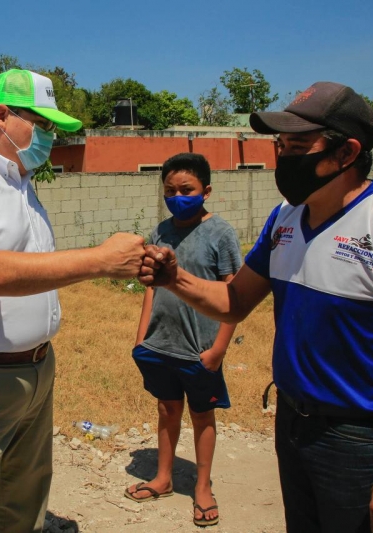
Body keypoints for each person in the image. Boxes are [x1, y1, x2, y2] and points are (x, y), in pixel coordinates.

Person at [138, 82, 373, 533]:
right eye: (280, 145)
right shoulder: (285, 218)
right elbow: (233, 301)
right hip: (291, 422)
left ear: (346, 153)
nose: (283, 157)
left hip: (357, 434)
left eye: (298, 146)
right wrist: (174, 278)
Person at [0, 68, 145, 533]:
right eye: (42, 123)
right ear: (1, 115)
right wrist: (99, 260)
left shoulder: (18, 178)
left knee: (23, 505)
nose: (49, 137)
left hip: (33, 372)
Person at [123, 153, 241, 527]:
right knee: (166, 408)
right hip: (161, 346)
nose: (178, 196)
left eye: (186, 190)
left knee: (202, 415)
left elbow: (233, 294)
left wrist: (219, 348)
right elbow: (150, 288)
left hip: (200, 350)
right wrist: (142, 337)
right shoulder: (160, 232)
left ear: (206, 191)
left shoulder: (220, 234)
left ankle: (202, 487)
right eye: (170, 190)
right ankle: (163, 477)